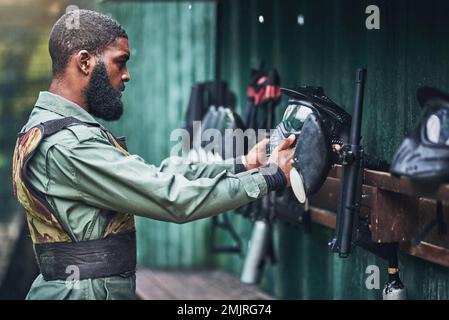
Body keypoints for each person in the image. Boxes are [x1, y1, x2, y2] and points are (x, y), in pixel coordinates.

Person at [12, 9, 295, 300]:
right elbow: (171, 197)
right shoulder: (69, 143)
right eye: (119, 62)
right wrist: (270, 177)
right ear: (84, 62)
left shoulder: (46, 129)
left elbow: (153, 177)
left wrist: (243, 164)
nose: (126, 75)